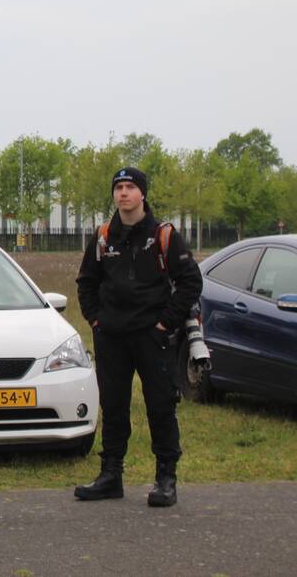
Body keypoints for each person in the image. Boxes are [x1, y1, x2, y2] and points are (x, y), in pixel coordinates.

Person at [74, 167, 202, 507]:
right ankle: (111, 475)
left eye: (130, 187)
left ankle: (165, 479)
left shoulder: (164, 234)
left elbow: (190, 281)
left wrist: (165, 324)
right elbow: (86, 281)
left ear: (142, 193)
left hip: (153, 337)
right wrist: (96, 320)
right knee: (113, 406)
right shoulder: (103, 235)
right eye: (119, 187)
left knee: (160, 406)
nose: (124, 193)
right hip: (111, 336)